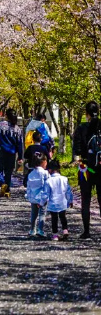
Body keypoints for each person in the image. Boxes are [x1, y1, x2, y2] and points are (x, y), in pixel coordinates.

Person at [72, 101, 101, 239]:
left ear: (86, 113)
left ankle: (86, 231)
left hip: (86, 168)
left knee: (86, 199)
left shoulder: (81, 128)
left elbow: (76, 151)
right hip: (100, 169)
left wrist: (80, 160)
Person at [0, 108, 23, 198]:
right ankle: (7, 191)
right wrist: (20, 156)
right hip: (11, 153)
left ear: (6, 116)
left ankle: (2, 184)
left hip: (0, 152)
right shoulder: (17, 128)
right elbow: (20, 143)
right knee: (8, 173)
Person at [43, 158, 73, 241]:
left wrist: (42, 202)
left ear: (50, 170)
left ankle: (55, 234)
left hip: (53, 203)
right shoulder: (64, 179)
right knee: (63, 217)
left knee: (54, 219)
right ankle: (65, 230)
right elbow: (68, 191)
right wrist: (70, 200)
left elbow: (46, 194)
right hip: (62, 202)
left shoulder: (48, 181)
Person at [25, 152, 49, 238]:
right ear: (43, 162)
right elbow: (47, 185)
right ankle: (40, 230)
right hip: (42, 197)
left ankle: (32, 230)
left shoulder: (31, 174)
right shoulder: (45, 173)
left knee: (33, 214)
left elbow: (28, 186)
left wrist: (28, 195)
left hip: (33, 197)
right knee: (42, 214)